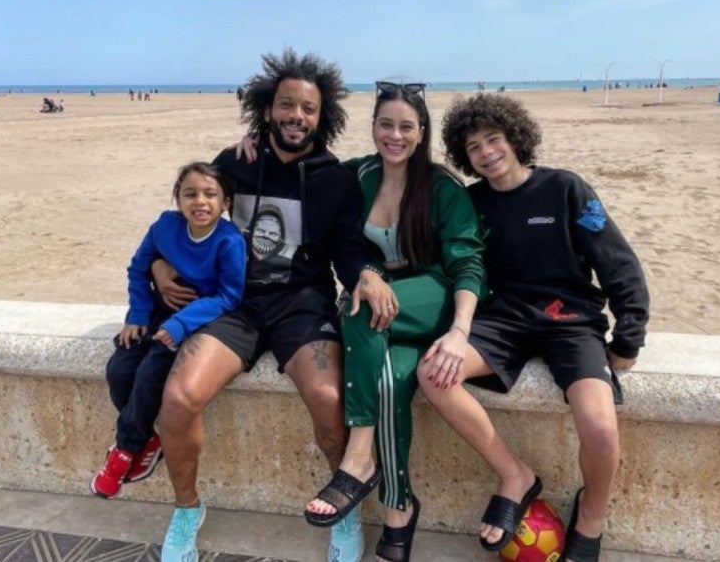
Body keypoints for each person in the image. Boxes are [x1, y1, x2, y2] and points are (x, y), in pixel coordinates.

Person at [149, 48, 393, 562]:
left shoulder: (337, 180)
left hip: (301, 303)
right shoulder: (232, 163)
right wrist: (158, 266)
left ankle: (342, 510)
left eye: (308, 109)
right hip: (231, 302)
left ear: (322, 118)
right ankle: (187, 509)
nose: (296, 117)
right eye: (287, 105)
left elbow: (348, 250)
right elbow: (192, 222)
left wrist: (366, 275)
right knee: (178, 399)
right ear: (266, 109)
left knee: (330, 401)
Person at [240, 81, 485, 562]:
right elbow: (300, 167)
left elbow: (468, 264)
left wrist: (460, 331)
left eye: (406, 127)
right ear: (373, 128)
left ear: (421, 132)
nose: (395, 135)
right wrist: (252, 144)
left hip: (431, 294)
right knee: (392, 381)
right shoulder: (357, 173)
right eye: (385, 124)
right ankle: (398, 507)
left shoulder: (442, 188)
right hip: (382, 304)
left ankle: (358, 457)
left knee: (359, 304)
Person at [428, 93, 649, 562]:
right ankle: (516, 475)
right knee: (433, 375)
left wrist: (629, 335)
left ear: (515, 138)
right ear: (463, 157)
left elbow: (618, 262)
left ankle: (590, 516)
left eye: (494, 139)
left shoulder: (567, 189)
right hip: (502, 320)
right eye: (473, 148)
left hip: (570, 322)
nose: (487, 153)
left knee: (600, 428)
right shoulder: (470, 203)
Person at [90, 162, 246, 501]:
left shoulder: (229, 241)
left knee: (150, 373)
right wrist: (138, 314)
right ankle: (147, 439)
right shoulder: (165, 227)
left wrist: (179, 325)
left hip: (195, 319)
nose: (200, 202)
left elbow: (229, 296)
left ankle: (124, 450)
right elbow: (137, 267)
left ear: (226, 203)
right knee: (119, 370)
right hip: (156, 311)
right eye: (190, 194)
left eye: (210, 194)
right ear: (177, 199)